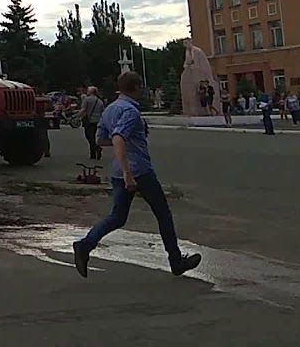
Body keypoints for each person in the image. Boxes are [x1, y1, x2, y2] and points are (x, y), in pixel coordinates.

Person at [72, 71, 202, 279]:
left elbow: (100, 140)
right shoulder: (130, 111)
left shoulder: (109, 110)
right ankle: (176, 262)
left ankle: (85, 245)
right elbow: (117, 138)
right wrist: (128, 172)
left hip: (118, 170)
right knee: (163, 214)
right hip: (137, 170)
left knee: (117, 216)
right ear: (136, 88)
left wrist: (125, 146)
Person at [77, 86, 106, 160]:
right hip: (97, 121)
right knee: (93, 136)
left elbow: (83, 109)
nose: (87, 92)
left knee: (89, 136)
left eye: (88, 90)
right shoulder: (100, 101)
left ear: (91, 92)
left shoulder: (87, 100)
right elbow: (103, 112)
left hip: (88, 121)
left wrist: (77, 116)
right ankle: (93, 152)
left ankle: (95, 149)